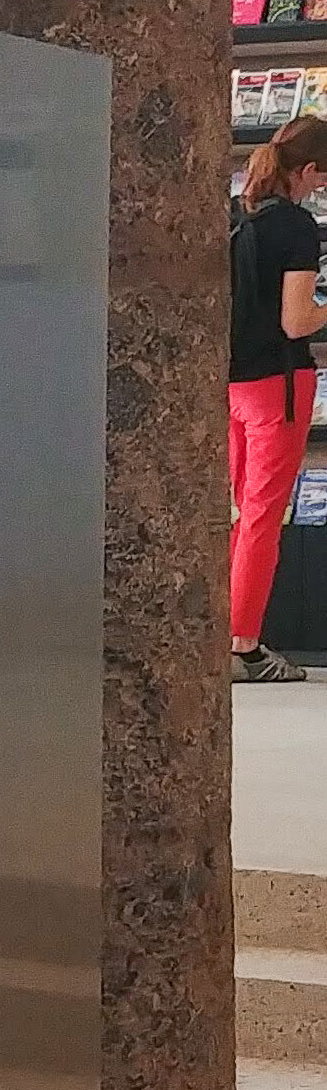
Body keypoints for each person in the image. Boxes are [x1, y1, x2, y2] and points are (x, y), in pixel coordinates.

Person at [229, 118, 327, 682]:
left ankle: (225, 633)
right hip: (280, 387)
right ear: (306, 170)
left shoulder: (241, 216)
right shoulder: (295, 226)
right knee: (264, 517)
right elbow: (297, 321)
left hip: (235, 383)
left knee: (238, 512)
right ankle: (245, 645)